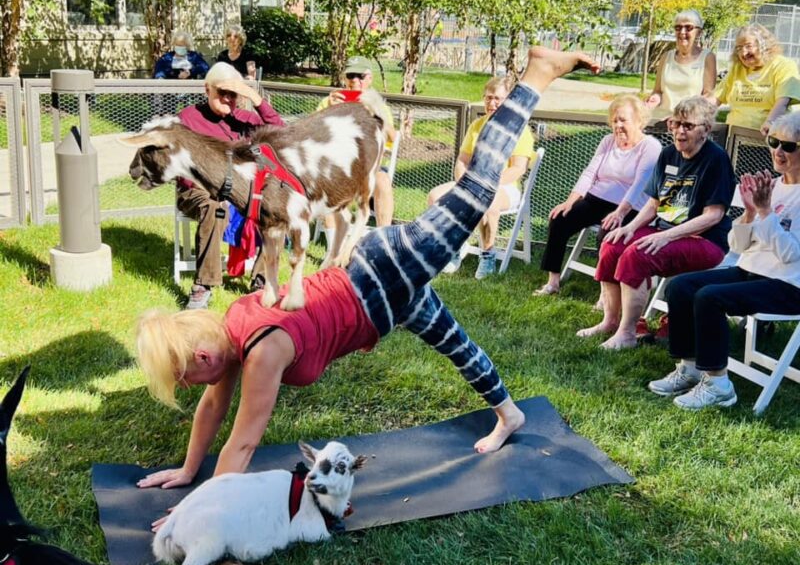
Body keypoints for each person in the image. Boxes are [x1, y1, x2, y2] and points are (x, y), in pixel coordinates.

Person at [135, 48, 601, 505]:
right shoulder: (230, 329)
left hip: (384, 272)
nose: (190, 387)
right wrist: (189, 469)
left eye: (183, 377)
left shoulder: (261, 349)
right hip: (385, 303)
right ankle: (509, 414)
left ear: (201, 354)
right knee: (457, 345)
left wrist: (199, 511)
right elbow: (215, 407)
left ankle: (536, 76)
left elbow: (242, 443)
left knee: (477, 190)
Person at [648, 111, 800, 410]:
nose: (778, 152)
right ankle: (691, 367)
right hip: (751, 270)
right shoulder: (774, 185)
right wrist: (750, 213)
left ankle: (718, 384)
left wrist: (766, 212)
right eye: (773, 142)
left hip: (789, 285)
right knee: (680, 287)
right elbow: (740, 245)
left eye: (789, 146)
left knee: (710, 297)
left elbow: (790, 256)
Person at [578, 96, 735, 349]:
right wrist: (629, 227)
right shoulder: (669, 154)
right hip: (664, 231)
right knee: (612, 245)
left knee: (637, 254)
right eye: (675, 124)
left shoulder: (715, 159)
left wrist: (665, 236)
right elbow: (653, 204)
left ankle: (627, 333)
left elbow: (713, 216)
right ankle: (611, 321)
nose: (679, 131)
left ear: (705, 130)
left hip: (704, 240)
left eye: (688, 125)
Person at [176, 62, 284, 309]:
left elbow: (279, 131)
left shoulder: (244, 119)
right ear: (207, 89)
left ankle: (262, 281)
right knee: (213, 206)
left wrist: (254, 97)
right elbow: (179, 164)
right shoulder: (188, 118)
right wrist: (212, 186)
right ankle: (203, 286)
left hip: (240, 190)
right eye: (221, 92)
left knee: (275, 207)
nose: (227, 98)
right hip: (198, 188)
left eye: (232, 94)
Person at [535, 95, 661, 296]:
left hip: (630, 206)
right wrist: (569, 202)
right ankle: (553, 283)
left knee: (608, 233)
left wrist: (620, 213)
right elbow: (589, 173)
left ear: (639, 120)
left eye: (623, 120)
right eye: (614, 120)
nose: (618, 125)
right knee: (559, 219)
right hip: (596, 199)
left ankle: (605, 295)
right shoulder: (608, 141)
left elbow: (640, 184)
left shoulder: (651, 146)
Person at [427, 77, 535, 279]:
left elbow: (518, 169)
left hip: (505, 187)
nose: (492, 103)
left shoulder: (520, 130)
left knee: (487, 201)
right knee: (436, 196)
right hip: (472, 182)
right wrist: (463, 184)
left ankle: (487, 255)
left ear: (509, 101)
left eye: (498, 99)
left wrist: (487, 185)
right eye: (488, 98)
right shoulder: (476, 125)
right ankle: (452, 248)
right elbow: (462, 161)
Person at [316, 57, 397, 254]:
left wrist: (375, 113)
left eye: (359, 76)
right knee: (327, 184)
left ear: (369, 78)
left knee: (383, 182)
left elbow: (393, 139)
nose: (354, 81)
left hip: (368, 167)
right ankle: (333, 250)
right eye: (350, 76)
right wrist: (329, 110)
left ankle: (382, 244)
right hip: (337, 166)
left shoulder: (377, 104)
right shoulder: (329, 101)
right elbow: (313, 134)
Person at [712, 24, 800, 136]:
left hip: (765, 137)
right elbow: (716, 99)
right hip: (733, 136)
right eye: (739, 48)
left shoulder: (783, 65)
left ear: (764, 45)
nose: (744, 53)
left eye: (749, 46)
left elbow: (782, 102)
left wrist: (770, 122)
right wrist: (696, 113)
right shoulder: (737, 68)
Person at [646, 10, 716, 121]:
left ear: (699, 32)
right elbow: (658, 91)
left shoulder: (707, 58)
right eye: (678, 28)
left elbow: (709, 97)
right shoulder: (666, 57)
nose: (682, 32)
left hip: (687, 125)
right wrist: (654, 99)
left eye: (688, 27)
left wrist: (684, 115)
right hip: (660, 122)